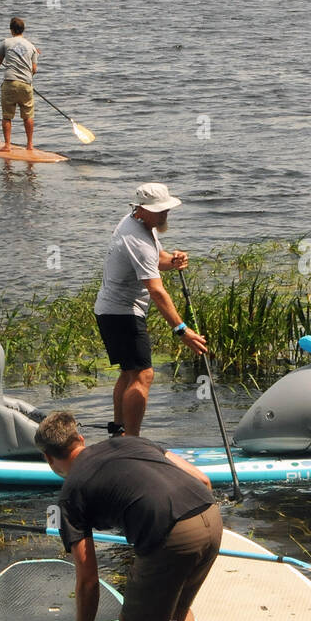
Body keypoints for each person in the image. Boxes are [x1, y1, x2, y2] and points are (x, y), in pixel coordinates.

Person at [37, 410, 221, 621]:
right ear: (80, 439)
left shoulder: (70, 495)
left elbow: (88, 581)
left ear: (48, 458)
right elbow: (202, 479)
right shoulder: (132, 442)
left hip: (172, 532)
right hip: (211, 517)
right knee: (177, 607)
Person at [95, 182, 208, 437]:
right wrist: (182, 330)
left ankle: (119, 434)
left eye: (166, 209)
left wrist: (174, 260)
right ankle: (132, 441)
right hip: (121, 313)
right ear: (141, 209)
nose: (165, 214)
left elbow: (157, 260)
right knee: (143, 374)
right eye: (160, 210)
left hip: (112, 311)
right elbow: (157, 291)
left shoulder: (140, 224)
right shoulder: (137, 239)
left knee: (130, 372)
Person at [0, 16, 37, 151]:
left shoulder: (6, 43)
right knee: (28, 116)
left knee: (7, 116)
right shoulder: (32, 47)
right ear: (23, 30)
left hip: (10, 83)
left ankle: (7, 145)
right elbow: (34, 69)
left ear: (11, 30)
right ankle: (29, 145)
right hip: (26, 84)